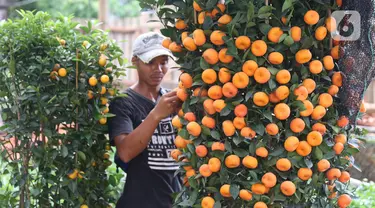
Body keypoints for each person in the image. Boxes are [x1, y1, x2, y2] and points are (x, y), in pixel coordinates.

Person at [108, 32, 182, 208]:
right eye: (150, 63)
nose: (158, 69)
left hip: (175, 202)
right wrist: (156, 114)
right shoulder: (123, 102)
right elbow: (125, 152)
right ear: (135, 61)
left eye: (163, 62)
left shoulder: (171, 101)